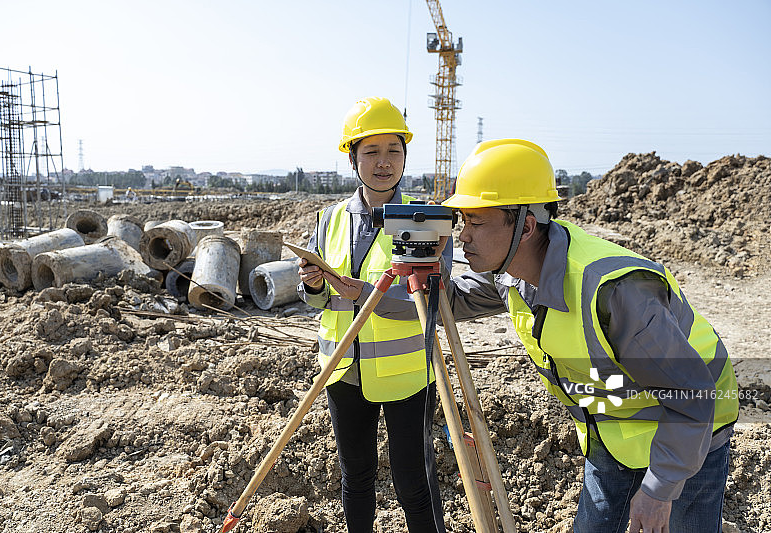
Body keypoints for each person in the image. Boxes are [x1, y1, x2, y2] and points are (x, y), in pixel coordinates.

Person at [436, 139, 738, 532]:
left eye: (475, 221)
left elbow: (693, 398)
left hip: (691, 427)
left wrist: (659, 489)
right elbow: (452, 302)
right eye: (461, 221)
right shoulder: (512, 272)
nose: (463, 236)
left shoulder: (613, 292)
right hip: (613, 427)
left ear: (525, 226)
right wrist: (393, 280)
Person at [296, 97, 450, 533]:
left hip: (407, 377)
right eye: (371, 152)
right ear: (352, 157)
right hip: (344, 371)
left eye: (394, 151)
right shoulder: (330, 219)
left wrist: (367, 293)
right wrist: (313, 285)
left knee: (413, 484)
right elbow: (323, 301)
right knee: (356, 478)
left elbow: (431, 304)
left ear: (405, 155)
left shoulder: (423, 219)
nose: (384, 163)